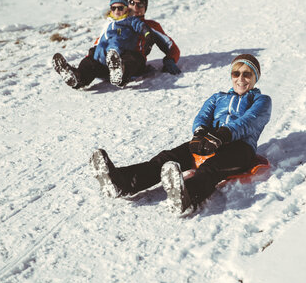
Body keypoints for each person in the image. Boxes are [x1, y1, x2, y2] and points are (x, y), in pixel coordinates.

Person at [90, 54, 272, 213]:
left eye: (247, 74)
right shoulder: (219, 97)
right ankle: (121, 182)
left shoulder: (262, 100)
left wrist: (223, 134)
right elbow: (203, 115)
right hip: (211, 140)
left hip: (240, 147)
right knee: (166, 158)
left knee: (210, 168)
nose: (241, 78)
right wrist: (200, 133)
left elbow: (250, 120)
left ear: (256, 78)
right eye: (236, 73)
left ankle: (187, 196)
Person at [52, 0, 154, 89]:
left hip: (123, 54)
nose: (117, 11)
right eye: (113, 8)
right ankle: (77, 77)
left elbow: (142, 26)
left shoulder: (130, 20)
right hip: (106, 61)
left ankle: (120, 73)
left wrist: (148, 35)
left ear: (126, 9)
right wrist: (93, 54)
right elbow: (100, 40)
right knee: (89, 62)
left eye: (120, 8)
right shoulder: (108, 23)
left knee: (131, 58)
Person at [126, 0, 181, 75]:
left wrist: (170, 59)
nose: (135, 7)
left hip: (135, 61)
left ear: (145, 9)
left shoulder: (151, 26)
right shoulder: (117, 22)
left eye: (140, 5)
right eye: (132, 3)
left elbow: (172, 47)